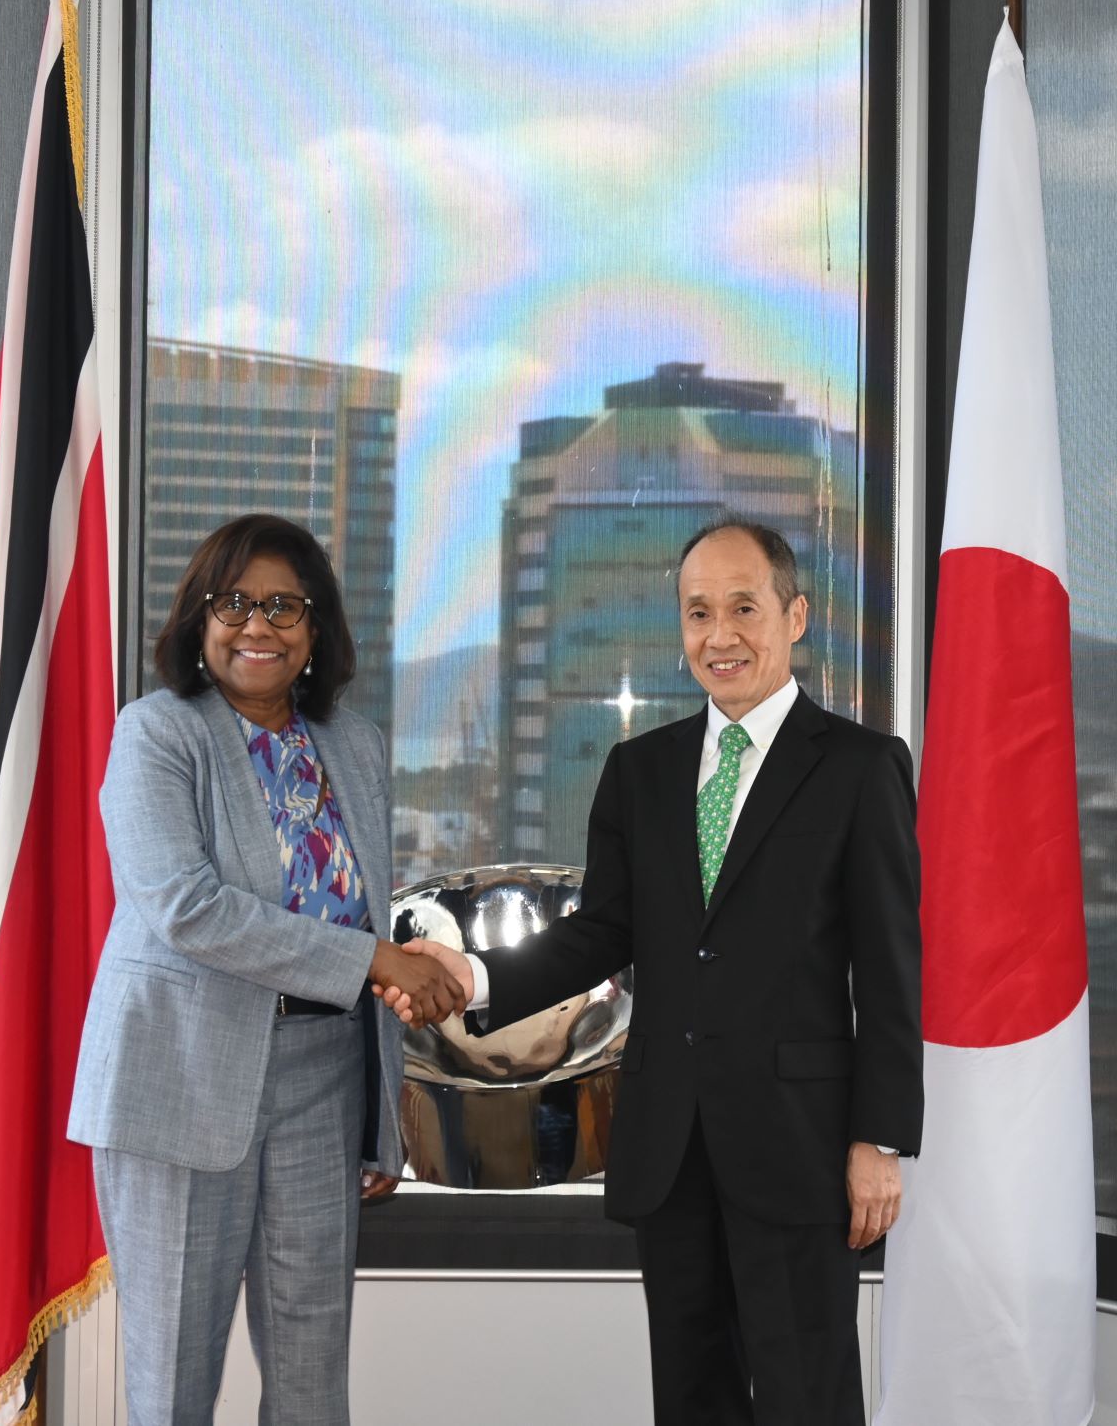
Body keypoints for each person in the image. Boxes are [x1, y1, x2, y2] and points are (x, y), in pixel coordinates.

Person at [387, 518, 923, 1426]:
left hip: (799, 1147)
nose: (720, 635)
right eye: (698, 612)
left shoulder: (861, 768)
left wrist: (880, 1140)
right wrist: (472, 974)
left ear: (795, 616)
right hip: (671, 1148)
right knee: (690, 1397)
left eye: (744, 608)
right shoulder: (642, 769)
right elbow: (600, 935)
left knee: (809, 1398)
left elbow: (892, 971)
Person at [67, 512, 460, 1426]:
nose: (259, 625)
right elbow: (188, 908)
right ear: (199, 621)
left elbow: (367, 912)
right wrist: (373, 957)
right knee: (172, 1380)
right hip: (181, 1078)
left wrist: (380, 1118)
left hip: (322, 1083)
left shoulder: (352, 744)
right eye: (235, 602)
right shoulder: (156, 735)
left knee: (314, 1378)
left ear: (316, 629)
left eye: (285, 606)